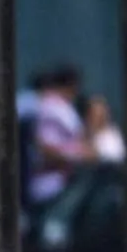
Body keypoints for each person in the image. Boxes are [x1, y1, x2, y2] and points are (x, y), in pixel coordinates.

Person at [28, 62, 90, 207]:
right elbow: (44, 147)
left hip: (66, 180)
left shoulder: (63, 107)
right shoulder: (51, 107)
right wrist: (78, 156)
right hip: (50, 184)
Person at [81, 94, 125, 162]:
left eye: (99, 115)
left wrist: (95, 153)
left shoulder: (111, 135)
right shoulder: (82, 131)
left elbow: (116, 155)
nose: (96, 119)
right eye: (93, 114)